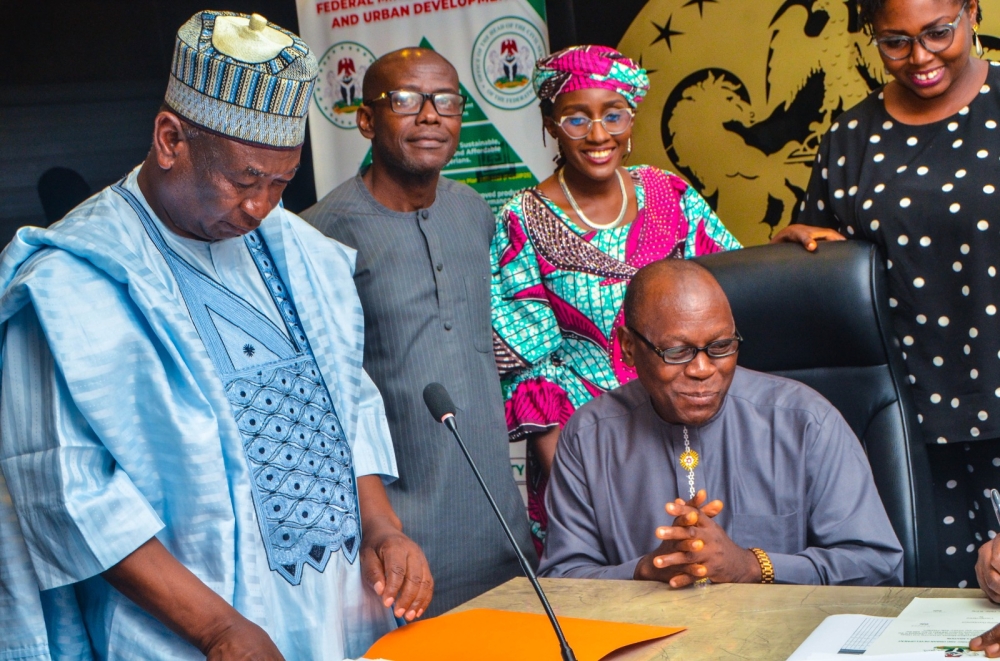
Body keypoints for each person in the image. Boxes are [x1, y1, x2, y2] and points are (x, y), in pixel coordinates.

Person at [0, 12, 432, 660]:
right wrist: (217, 628)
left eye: (281, 183)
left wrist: (381, 526)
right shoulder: (66, 284)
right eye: (244, 180)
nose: (260, 207)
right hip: (181, 635)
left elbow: (348, 399)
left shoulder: (302, 250)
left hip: (341, 615)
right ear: (171, 139)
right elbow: (68, 492)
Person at [773, 0, 1000, 588]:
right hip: (907, 427)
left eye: (938, 34)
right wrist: (802, 250)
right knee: (930, 616)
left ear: (973, 11)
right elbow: (833, 285)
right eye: (895, 42)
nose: (919, 58)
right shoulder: (850, 139)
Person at [301, 48, 534, 615]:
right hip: (399, 545)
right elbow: (324, 407)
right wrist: (382, 530)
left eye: (447, 101)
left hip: (502, 531)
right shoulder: (319, 236)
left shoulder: (474, 211)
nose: (430, 115)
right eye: (405, 100)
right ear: (365, 119)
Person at [490, 45, 741, 553]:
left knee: (711, 568)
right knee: (612, 593)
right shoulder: (522, 220)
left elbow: (735, 286)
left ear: (631, 118)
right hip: (588, 446)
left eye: (613, 115)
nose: (599, 135)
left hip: (691, 426)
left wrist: (790, 247)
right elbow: (531, 377)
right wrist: (580, 486)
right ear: (550, 122)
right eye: (576, 118)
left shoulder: (670, 194)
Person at [537, 259, 904, 586]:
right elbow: (561, 580)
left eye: (721, 346)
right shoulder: (589, 437)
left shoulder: (806, 422)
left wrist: (751, 566)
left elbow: (878, 565)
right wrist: (647, 570)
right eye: (677, 352)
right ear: (629, 347)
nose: (702, 369)